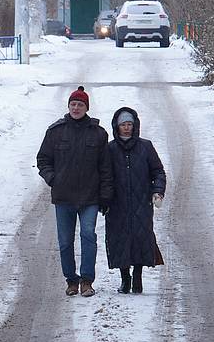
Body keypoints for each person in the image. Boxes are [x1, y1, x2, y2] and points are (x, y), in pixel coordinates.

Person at [36, 86, 113, 297]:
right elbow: (43, 160)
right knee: (65, 241)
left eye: (80, 105)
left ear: (86, 107)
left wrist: (105, 195)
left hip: (90, 197)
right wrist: (53, 179)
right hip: (64, 197)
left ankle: (87, 280)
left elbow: (105, 168)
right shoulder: (55, 132)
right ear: (68, 106)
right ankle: (71, 280)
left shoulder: (98, 134)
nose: (76, 108)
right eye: (73, 104)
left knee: (88, 235)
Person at [103, 107, 166, 294]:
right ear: (117, 126)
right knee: (119, 239)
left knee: (141, 238)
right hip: (117, 204)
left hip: (141, 202)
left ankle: (138, 275)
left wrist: (158, 191)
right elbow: (103, 175)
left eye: (130, 124)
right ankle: (125, 278)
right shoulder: (109, 149)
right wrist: (103, 198)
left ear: (135, 125)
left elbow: (158, 171)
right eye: (123, 124)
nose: (127, 128)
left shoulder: (146, 147)